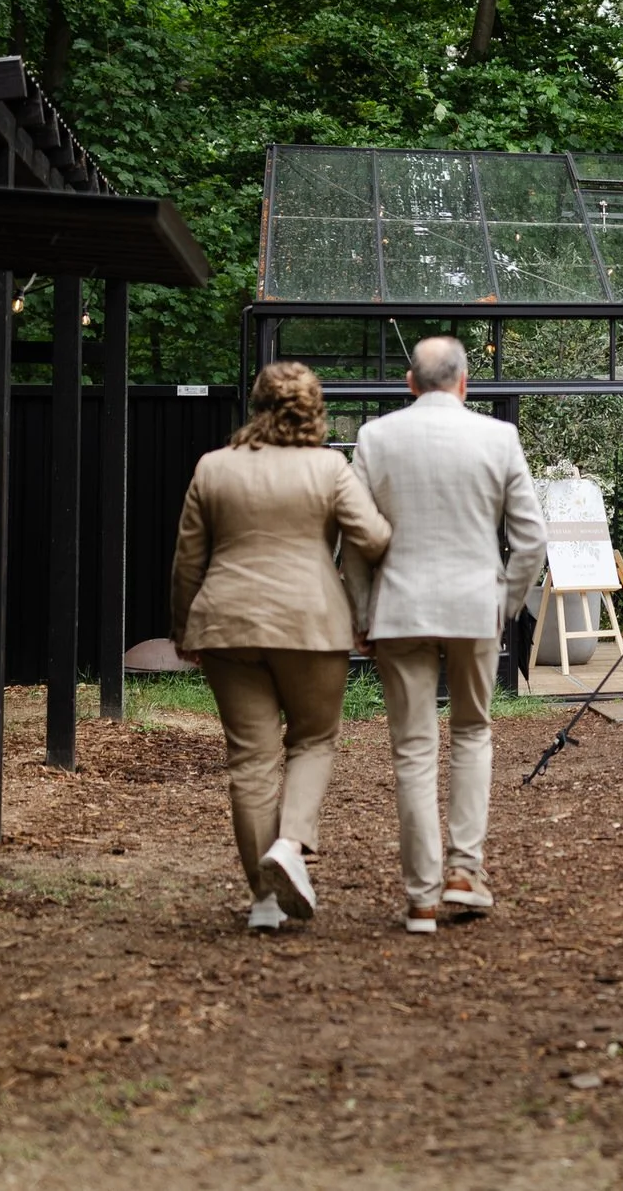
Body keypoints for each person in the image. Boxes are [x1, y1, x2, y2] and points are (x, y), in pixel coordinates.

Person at [170, 361, 391, 933]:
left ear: (256, 406)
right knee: (313, 740)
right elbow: (373, 537)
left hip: (227, 625)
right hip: (310, 625)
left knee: (250, 760)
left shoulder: (213, 467)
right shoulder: (329, 468)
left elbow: (188, 560)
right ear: (314, 411)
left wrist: (184, 628)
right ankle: (290, 845)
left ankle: (264, 902)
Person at [347, 337, 545, 935]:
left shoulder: (375, 438)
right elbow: (531, 540)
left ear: (411, 383)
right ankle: (464, 870)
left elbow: (354, 536)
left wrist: (364, 613)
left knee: (413, 748)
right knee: (472, 733)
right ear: (464, 383)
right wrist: (503, 605)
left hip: (399, 610)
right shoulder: (498, 438)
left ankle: (420, 898)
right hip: (473, 608)